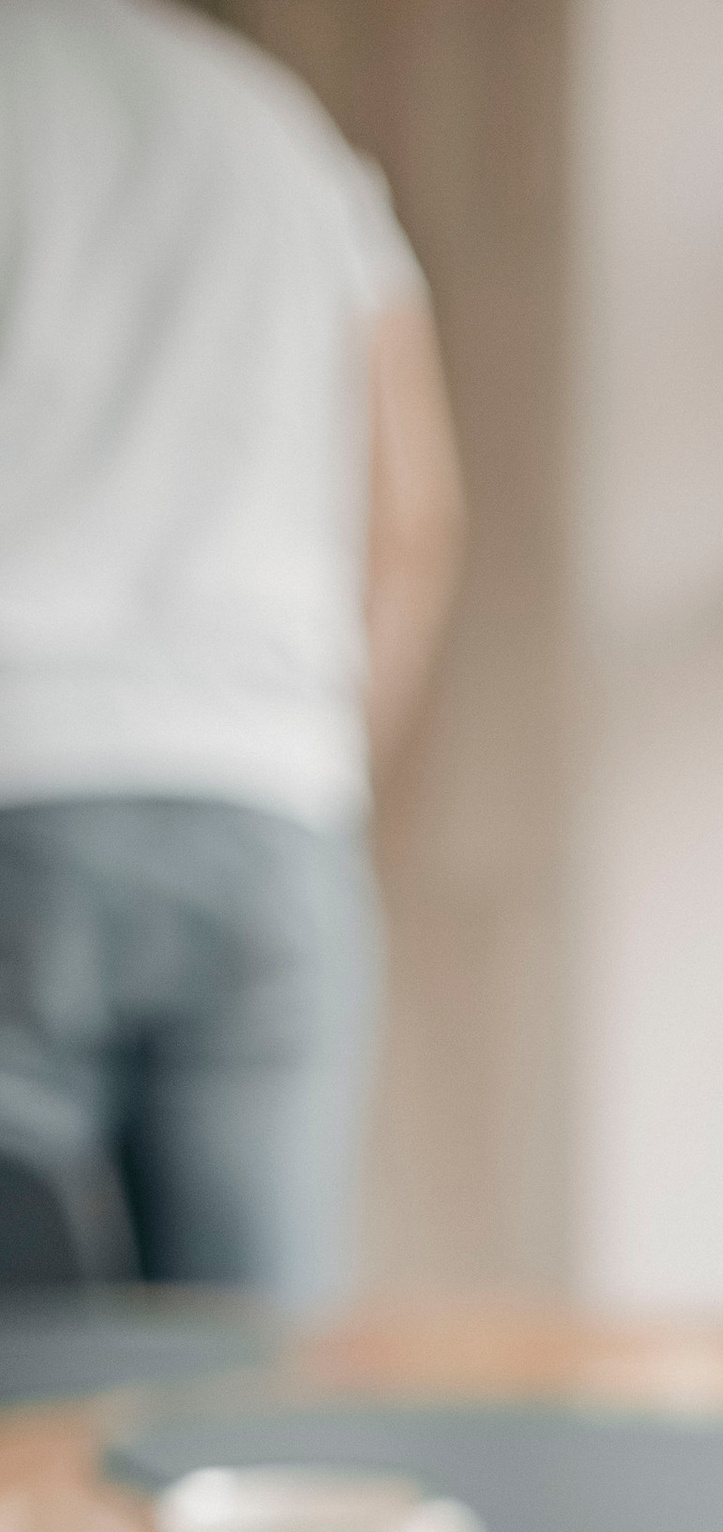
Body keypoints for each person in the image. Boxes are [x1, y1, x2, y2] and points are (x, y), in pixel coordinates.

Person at [0, 0, 465, 1300]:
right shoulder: (284, 136)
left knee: (19, 1402)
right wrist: (323, 775)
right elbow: (416, 518)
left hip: (18, 781)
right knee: (254, 1394)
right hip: (267, 812)